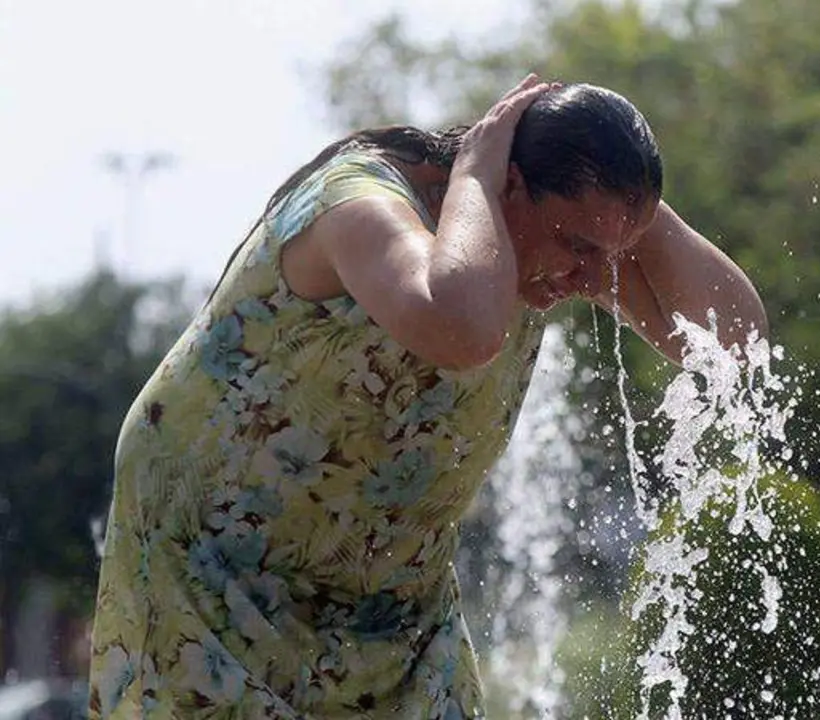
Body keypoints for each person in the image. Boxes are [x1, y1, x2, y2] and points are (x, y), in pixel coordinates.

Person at [87, 74, 767, 718]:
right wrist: (476, 170)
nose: (594, 274)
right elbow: (461, 327)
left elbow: (734, 338)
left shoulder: (545, 247)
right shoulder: (357, 204)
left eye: (608, 250)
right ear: (509, 183)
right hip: (212, 570)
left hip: (388, 596)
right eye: (575, 243)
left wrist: (626, 195)